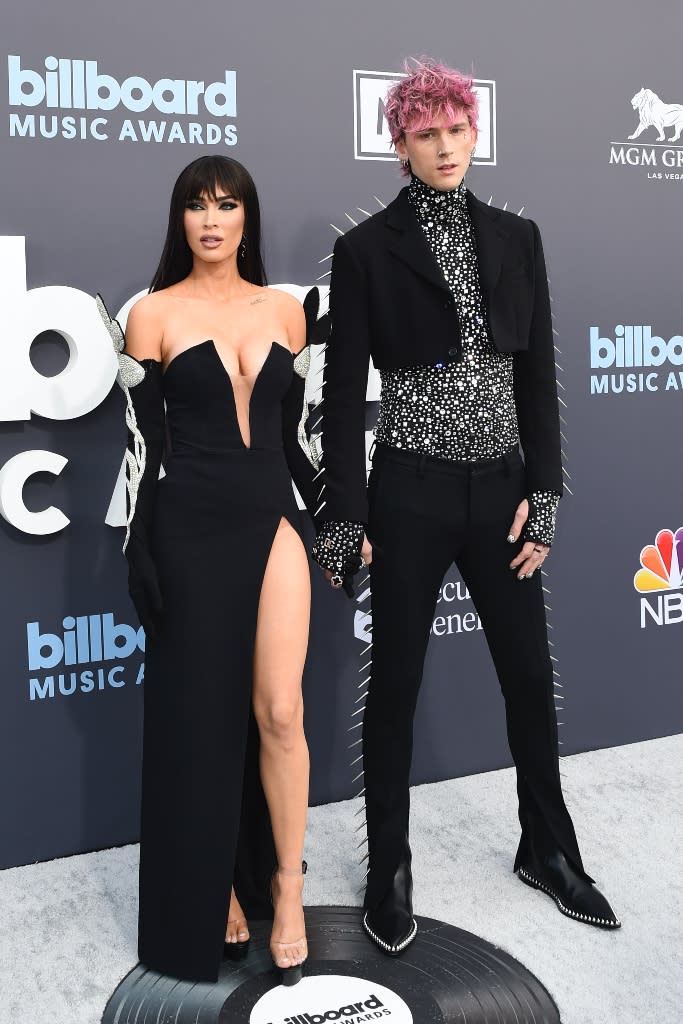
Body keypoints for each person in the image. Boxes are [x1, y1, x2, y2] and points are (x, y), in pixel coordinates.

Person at [313, 59, 620, 955]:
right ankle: (388, 870)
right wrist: (344, 515)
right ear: (399, 146)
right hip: (407, 490)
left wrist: (545, 493)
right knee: (395, 686)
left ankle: (548, 848)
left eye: (456, 129)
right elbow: (339, 396)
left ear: (474, 132)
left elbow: (538, 376)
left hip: (502, 492)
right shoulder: (366, 248)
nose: (444, 147)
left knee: (528, 676)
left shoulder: (518, 236)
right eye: (424, 134)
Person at [98, 155, 320, 985]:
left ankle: (286, 889)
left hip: (273, 520)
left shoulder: (289, 313)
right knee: (203, 719)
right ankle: (215, 883)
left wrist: (335, 527)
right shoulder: (151, 315)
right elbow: (141, 453)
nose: (211, 219)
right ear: (179, 220)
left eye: (226, 204)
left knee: (280, 710)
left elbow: (301, 443)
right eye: (196, 205)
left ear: (247, 218)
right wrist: (139, 548)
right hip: (188, 525)